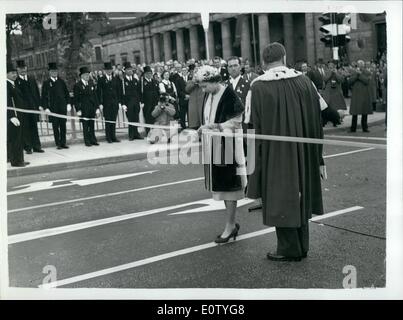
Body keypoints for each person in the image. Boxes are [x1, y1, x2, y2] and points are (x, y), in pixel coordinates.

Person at [247, 42, 325, 262]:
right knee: (301, 194)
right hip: (304, 149)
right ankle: (303, 245)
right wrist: (317, 154)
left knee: (280, 197)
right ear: (284, 57)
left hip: (275, 154)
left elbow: (253, 128)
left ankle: (289, 248)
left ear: (264, 62)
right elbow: (318, 118)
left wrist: (254, 162)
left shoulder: (258, 87)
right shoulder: (305, 81)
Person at [195, 65, 247, 244]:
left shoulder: (229, 94)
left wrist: (214, 127)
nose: (203, 89)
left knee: (230, 187)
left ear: (214, 80)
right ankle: (231, 224)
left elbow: (237, 121)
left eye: (204, 85)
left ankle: (230, 226)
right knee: (223, 187)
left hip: (228, 147)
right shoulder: (210, 94)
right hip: (215, 146)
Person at [15, 59, 44, 154]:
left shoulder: (31, 79)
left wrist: (39, 105)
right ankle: (28, 147)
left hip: (33, 108)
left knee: (34, 127)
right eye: (20, 68)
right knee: (25, 128)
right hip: (23, 109)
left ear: (26, 68)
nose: (23, 70)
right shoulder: (16, 81)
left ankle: (36, 146)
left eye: (24, 68)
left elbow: (36, 92)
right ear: (17, 69)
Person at [41, 62, 71, 149]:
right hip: (53, 109)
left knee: (63, 126)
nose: (54, 73)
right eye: (52, 71)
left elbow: (67, 94)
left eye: (55, 71)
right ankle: (58, 143)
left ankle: (63, 142)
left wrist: (68, 103)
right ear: (49, 72)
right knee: (55, 126)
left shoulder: (61, 82)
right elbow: (44, 97)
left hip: (62, 108)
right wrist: (46, 107)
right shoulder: (46, 83)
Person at [7, 62, 29, 167]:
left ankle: (20, 159)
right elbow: (7, 102)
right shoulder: (6, 85)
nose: (15, 75)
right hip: (13, 116)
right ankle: (16, 161)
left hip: (19, 115)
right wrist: (12, 116)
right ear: (6, 74)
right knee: (15, 139)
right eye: (12, 73)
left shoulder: (13, 84)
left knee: (19, 138)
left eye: (15, 73)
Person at [73, 66, 101, 146]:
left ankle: (93, 139)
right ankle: (87, 141)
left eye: (88, 75)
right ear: (81, 76)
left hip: (91, 108)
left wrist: (97, 108)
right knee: (85, 126)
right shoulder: (77, 85)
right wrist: (78, 109)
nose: (87, 76)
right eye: (86, 75)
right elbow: (76, 99)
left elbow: (95, 96)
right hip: (83, 109)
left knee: (92, 125)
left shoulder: (91, 83)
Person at [97, 62, 122, 143]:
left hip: (114, 103)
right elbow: (99, 92)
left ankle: (113, 136)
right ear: (104, 71)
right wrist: (100, 103)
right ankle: (108, 137)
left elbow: (119, 91)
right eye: (107, 70)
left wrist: (119, 102)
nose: (109, 71)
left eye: (110, 70)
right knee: (108, 120)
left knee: (113, 120)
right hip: (106, 103)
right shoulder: (101, 79)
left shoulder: (116, 79)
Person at [349, 60, 373, 132]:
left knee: (364, 112)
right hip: (356, 95)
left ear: (364, 66)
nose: (360, 66)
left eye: (361, 65)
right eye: (359, 65)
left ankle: (365, 127)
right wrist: (357, 75)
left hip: (365, 94)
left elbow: (366, 81)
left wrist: (359, 75)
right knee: (354, 112)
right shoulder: (354, 72)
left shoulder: (367, 72)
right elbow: (350, 81)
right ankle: (353, 128)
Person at [121, 61, 142, 140]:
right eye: (128, 69)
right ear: (125, 71)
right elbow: (122, 93)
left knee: (136, 118)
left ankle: (136, 133)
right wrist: (123, 104)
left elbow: (138, 92)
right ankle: (131, 134)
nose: (130, 71)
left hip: (136, 102)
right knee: (130, 119)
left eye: (131, 69)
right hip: (128, 103)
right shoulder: (123, 81)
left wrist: (140, 101)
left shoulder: (135, 80)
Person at [321, 61, 347, 126]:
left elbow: (341, 80)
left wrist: (335, 73)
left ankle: (336, 121)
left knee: (336, 108)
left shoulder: (338, 72)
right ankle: (326, 121)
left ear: (334, 67)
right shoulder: (326, 72)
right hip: (329, 93)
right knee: (327, 107)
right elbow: (325, 79)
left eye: (332, 67)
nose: (331, 69)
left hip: (336, 92)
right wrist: (330, 74)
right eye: (329, 67)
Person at [186, 65, 204, 130]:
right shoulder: (190, 81)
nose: (196, 74)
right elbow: (187, 89)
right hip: (193, 104)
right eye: (195, 72)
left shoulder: (204, 81)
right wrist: (193, 82)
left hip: (202, 103)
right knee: (194, 122)